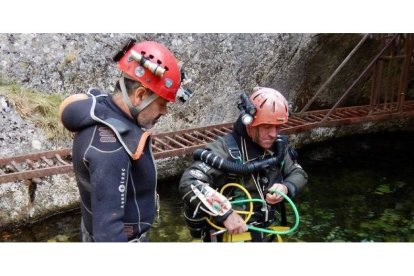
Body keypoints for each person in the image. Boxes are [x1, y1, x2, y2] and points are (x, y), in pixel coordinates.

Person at [59, 39, 193, 242]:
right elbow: (108, 234)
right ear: (140, 95)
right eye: (162, 104)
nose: (165, 112)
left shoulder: (102, 109)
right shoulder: (111, 148)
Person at [179, 87, 308, 242]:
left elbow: (299, 173)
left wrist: (285, 187)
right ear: (250, 123)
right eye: (267, 126)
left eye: (278, 127)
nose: (274, 134)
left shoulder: (278, 148)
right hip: (230, 237)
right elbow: (189, 181)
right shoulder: (225, 149)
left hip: (267, 233)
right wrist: (224, 213)